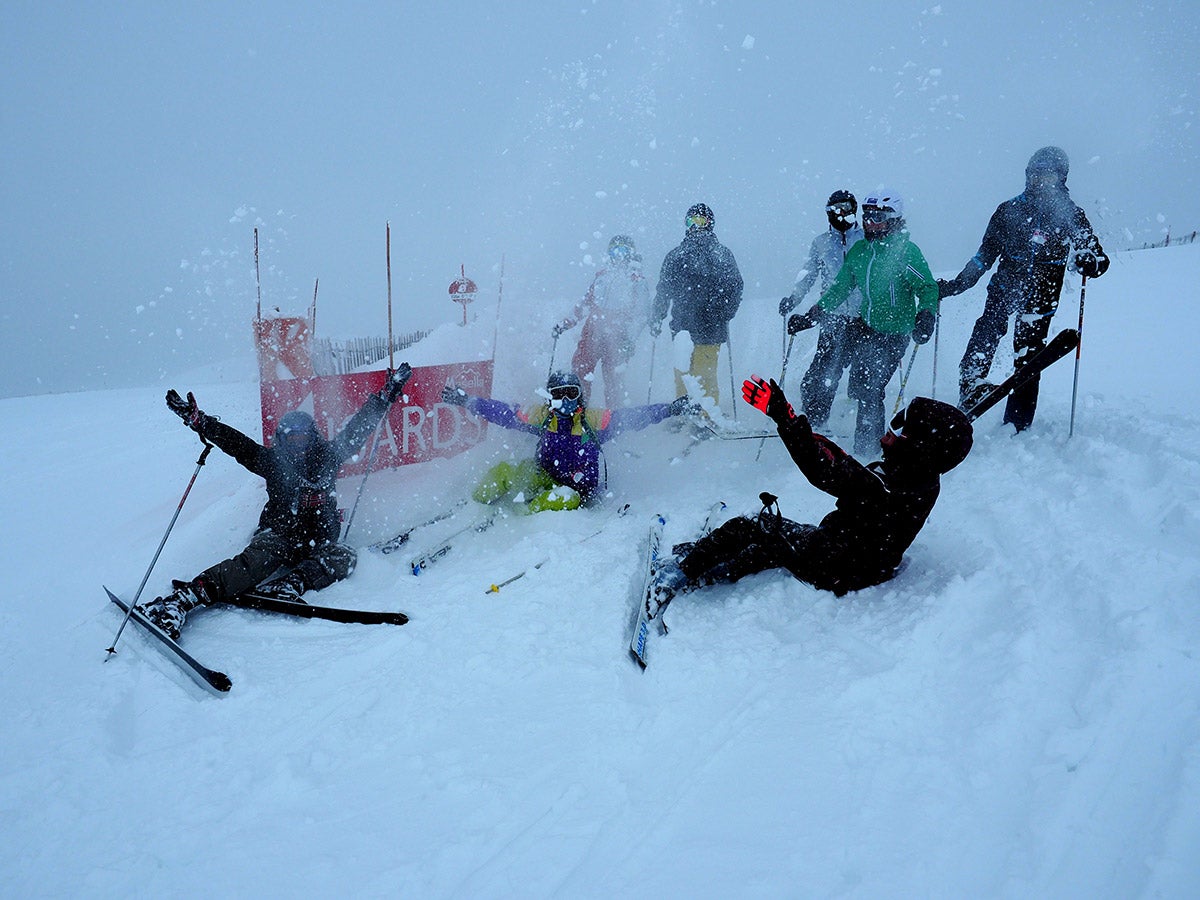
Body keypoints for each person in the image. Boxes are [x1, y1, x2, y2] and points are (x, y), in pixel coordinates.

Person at [646, 376, 973, 616]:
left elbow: (826, 470)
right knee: (774, 546)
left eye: (899, 434)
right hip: (859, 561)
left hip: (836, 564)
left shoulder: (887, 487)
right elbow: (843, 467)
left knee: (752, 525)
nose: (887, 436)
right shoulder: (922, 479)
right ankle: (720, 566)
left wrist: (785, 420)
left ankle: (682, 571)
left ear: (919, 449)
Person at [137, 365, 412, 639]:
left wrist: (385, 395)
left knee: (344, 556)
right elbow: (238, 444)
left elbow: (356, 430)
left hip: (318, 542)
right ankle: (182, 600)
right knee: (257, 560)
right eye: (292, 438)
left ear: (312, 436)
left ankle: (289, 584)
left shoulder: (328, 456)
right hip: (279, 536)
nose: (298, 444)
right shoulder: (273, 462)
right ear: (282, 439)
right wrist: (202, 422)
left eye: (303, 437)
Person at [939, 146, 1109, 430]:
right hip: (1006, 285)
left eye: (1047, 176)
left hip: (1043, 293)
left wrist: (1089, 261)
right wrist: (958, 284)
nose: (1039, 181)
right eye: (1035, 174)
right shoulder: (1009, 210)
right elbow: (984, 256)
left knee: (1029, 355)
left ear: (1061, 178)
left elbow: (1098, 258)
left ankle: (1018, 422)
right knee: (987, 329)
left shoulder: (1070, 215)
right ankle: (971, 385)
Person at [788, 190, 938, 456]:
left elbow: (927, 287)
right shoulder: (860, 251)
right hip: (866, 326)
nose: (870, 222)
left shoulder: (906, 252)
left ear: (894, 219)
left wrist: (926, 314)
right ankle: (822, 421)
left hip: (895, 332)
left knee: (871, 387)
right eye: (867, 216)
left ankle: (867, 453)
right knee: (846, 376)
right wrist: (812, 315)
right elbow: (839, 289)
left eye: (878, 217)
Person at [441, 370, 697, 513]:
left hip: (577, 491)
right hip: (545, 475)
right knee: (505, 471)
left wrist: (670, 409)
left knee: (564, 498)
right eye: (558, 395)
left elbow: (635, 416)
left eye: (571, 394)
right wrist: (467, 400)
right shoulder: (543, 418)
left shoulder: (594, 422)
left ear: (580, 396)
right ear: (549, 398)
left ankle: (524, 513)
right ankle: (472, 507)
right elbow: (504, 413)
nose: (565, 401)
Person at [779, 189, 865, 427]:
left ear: (854, 209)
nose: (840, 213)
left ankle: (857, 417)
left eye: (845, 208)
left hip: (864, 315)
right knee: (824, 371)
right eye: (834, 209)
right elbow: (808, 275)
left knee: (863, 370)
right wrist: (793, 299)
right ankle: (815, 420)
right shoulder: (822, 243)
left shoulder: (866, 238)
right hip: (833, 316)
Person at [650, 203, 744, 404]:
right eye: (691, 221)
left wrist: (724, 311)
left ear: (710, 224)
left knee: (704, 374)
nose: (696, 226)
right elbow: (664, 290)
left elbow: (735, 286)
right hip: (682, 326)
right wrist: (657, 315)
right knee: (682, 372)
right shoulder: (676, 256)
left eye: (701, 221)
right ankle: (683, 412)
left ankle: (706, 416)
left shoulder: (721, 254)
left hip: (710, 327)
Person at [552, 234, 653, 406]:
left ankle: (614, 416)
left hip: (619, 335)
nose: (619, 256)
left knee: (614, 377)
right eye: (615, 251)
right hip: (593, 331)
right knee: (580, 369)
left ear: (631, 254)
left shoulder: (636, 280)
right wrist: (566, 324)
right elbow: (584, 304)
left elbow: (641, 315)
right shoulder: (602, 277)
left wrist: (630, 338)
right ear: (610, 254)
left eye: (624, 251)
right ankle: (577, 409)